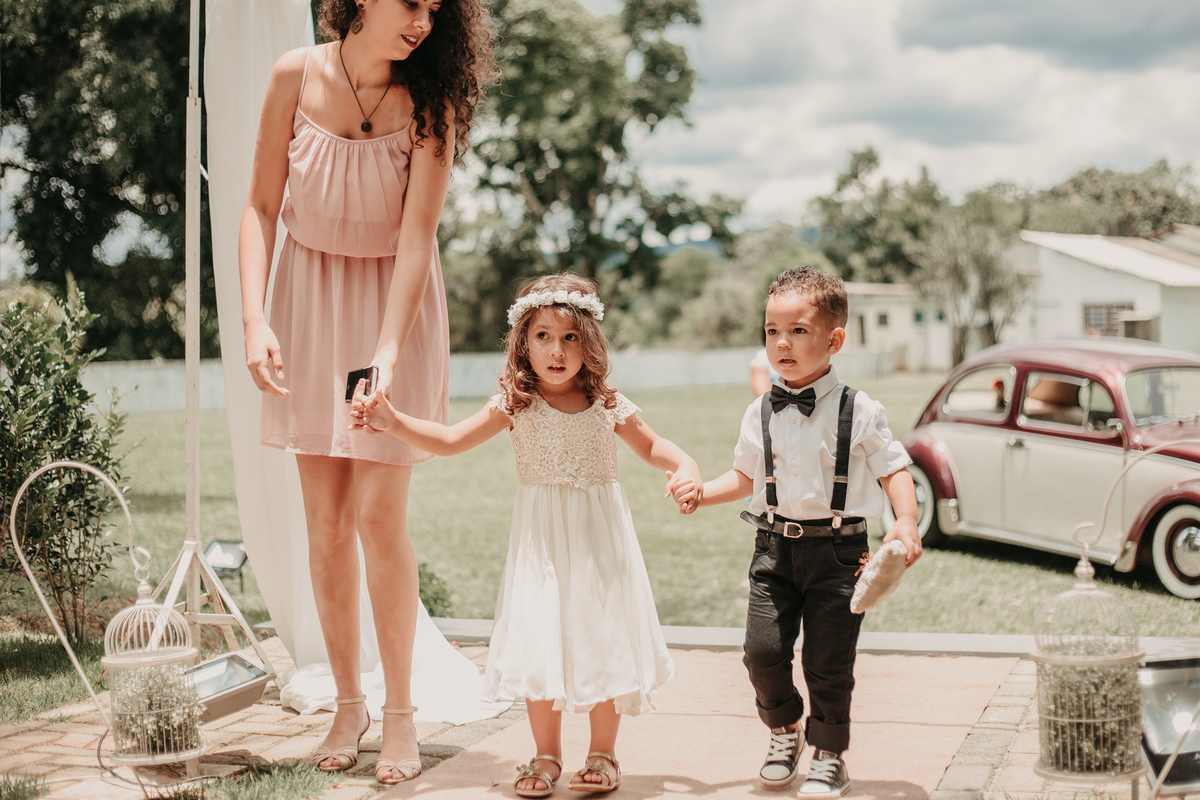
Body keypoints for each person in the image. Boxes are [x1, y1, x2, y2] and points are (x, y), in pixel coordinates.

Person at [237, 0, 494, 785]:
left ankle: (401, 712)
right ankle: (349, 702)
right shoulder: (293, 74)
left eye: (434, 10)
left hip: (395, 310)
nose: (422, 22)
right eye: (411, 3)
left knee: (381, 519)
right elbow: (258, 206)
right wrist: (254, 320)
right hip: (306, 303)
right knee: (326, 521)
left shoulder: (434, 103)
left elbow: (418, 236)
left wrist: (384, 355)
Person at [350, 274, 702, 796]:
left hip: (599, 542)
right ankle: (545, 755)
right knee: (540, 637)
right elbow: (449, 441)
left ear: (589, 341)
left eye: (570, 337)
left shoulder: (606, 402)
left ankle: (603, 753)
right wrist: (393, 421)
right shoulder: (514, 403)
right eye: (542, 336)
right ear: (523, 342)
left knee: (602, 637)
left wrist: (686, 465)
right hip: (540, 545)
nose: (556, 351)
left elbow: (654, 449)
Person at [672, 266, 922, 798]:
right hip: (773, 549)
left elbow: (894, 470)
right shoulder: (759, 408)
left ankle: (829, 754)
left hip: (839, 551)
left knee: (827, 663)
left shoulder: (860, 409)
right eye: (771, 331)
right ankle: (784, 731)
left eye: (798, 331)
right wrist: (701, 492)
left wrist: (905, 521)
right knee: (761, 652)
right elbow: (743, 477)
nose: (781, 343)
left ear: (834, 340)